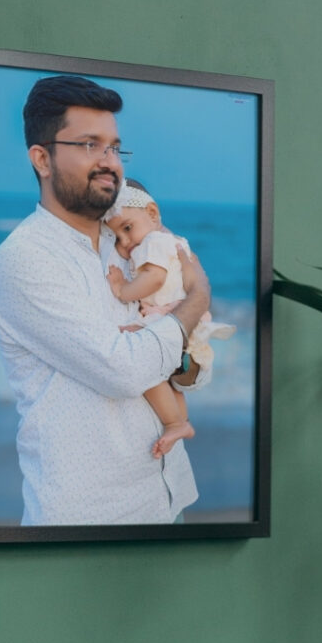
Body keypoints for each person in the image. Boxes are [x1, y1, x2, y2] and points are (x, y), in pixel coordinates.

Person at [0, 75, 211, 526]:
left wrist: (186, 364)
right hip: (89, 519)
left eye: (114, 147)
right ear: (42, 158)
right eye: (90, 145)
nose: (109, 162)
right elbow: (124, 370)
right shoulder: (26, 258)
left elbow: (186, 370)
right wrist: (197, 297)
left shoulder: (130, 248)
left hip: (167, 499)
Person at [103, 179, 236, 459]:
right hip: (181, 319)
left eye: (127, 228)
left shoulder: (153, 242)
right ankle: (181, 423)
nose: (125, 243)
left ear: (152, 214)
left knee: (144, 365)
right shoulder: (169, 241)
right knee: (165, 378)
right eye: (117, 238)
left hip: (170, 317)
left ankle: (175, 423)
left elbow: (154, 279)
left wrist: (121, 290)